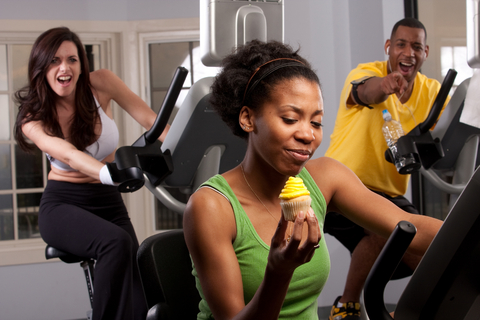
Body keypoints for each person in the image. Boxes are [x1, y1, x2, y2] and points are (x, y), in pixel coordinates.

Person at [182, 39, 443, 320]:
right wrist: (278, 272)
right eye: (290, 119)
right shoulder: (211, 207)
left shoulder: (325, 177)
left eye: (316, 122)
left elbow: (410, 227)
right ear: (248, 118)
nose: (308, 135)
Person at [14, 27, 163, 320]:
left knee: (140, 291)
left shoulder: (101, 83)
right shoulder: (33, 118)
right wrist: (110, 173)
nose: (64, 68)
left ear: (82, 64)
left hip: (107, 201)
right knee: (115, 241)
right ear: (41, 67)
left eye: (72, 59)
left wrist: (184, 150)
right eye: (55, 60)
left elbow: (151, 120)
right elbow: (69, 154)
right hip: (63, 205)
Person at [324, 18, 450, 320]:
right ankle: (346, 308)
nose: (409, 52)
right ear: (388, 48)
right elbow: (364, 92)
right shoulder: (368, 72)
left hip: (388, 193)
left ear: (426, 52)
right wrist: (385, 85)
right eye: (401, 44)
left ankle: (414, 311)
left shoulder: (432, 91)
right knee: (390, 229)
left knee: (427, 251)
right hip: (341, 184)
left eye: (416, 46)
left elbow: (450, 127)